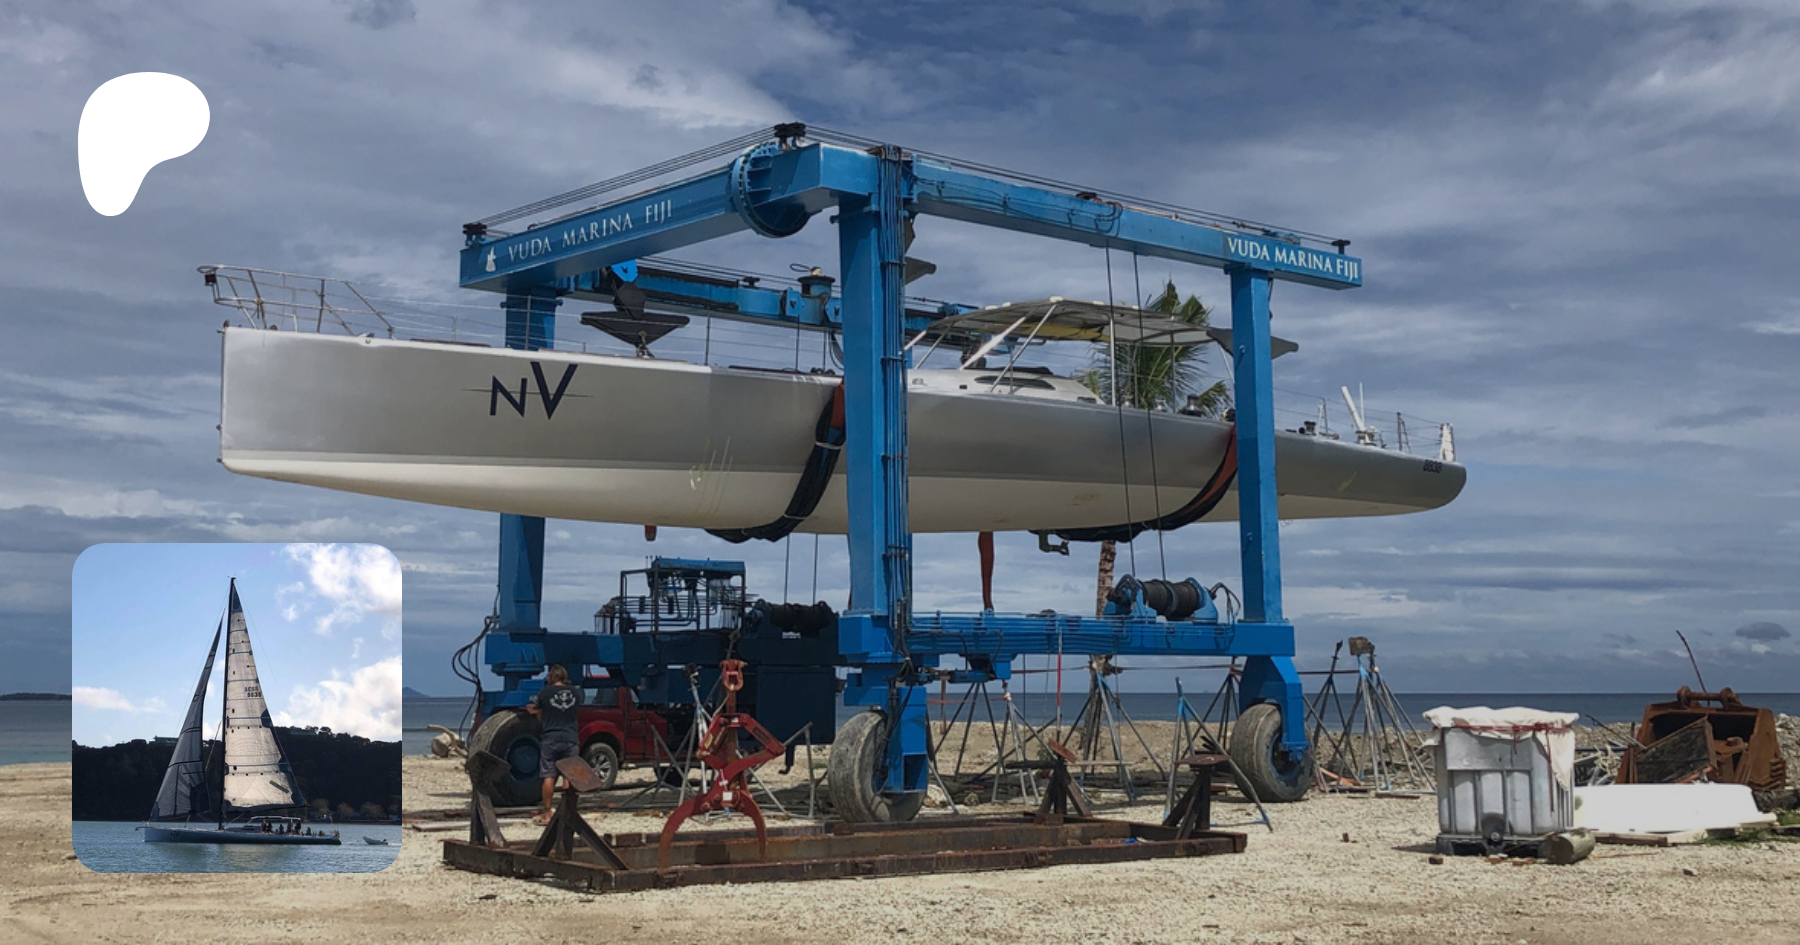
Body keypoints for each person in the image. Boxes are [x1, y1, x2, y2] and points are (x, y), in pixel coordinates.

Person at [527, 663, 584, 825]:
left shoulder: (545, 693)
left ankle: (547, 813)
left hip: (550, 738)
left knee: (549, 776)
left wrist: (535, 712)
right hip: (570, 737)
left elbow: (541, 716)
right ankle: (568, 812)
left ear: (551, 677)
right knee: (569, 776)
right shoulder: (575, 692)